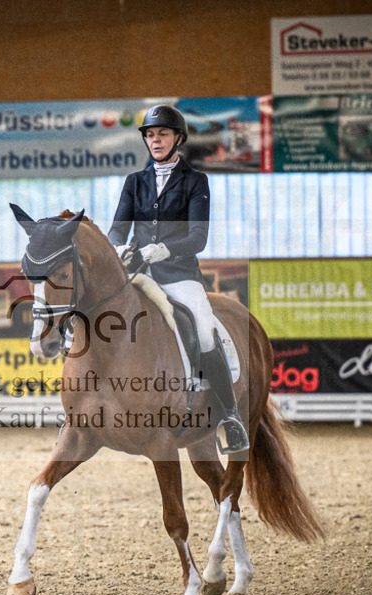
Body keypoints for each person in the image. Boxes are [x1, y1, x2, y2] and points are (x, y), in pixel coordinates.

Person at [107, 104, 249, 454]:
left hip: (179, 275)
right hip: (139, 273)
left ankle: (230, 416)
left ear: (178, 139)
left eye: (163, 134)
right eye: (150, 135)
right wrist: (118, 247)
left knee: (203, 327)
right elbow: (117, 229)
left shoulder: (195, 181)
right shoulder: (134, 182)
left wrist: (166, 249)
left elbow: (198, 237)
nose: (155, 140)